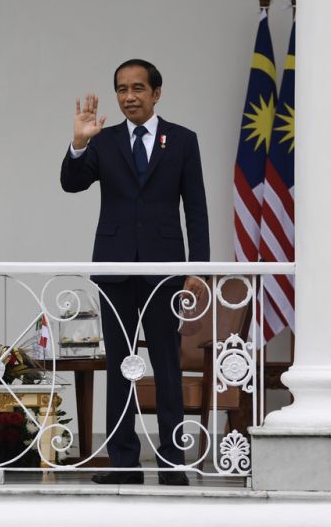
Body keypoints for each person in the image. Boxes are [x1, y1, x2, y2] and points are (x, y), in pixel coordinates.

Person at [60, 59, 209, 485]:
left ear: (156, 93)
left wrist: (197, 269)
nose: (129, 97)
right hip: (115, 265)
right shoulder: (102, 141)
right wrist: (78, 143)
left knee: (166, 363)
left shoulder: (181, 140)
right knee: (121, 363)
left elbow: (195, 209)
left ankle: (172, 461)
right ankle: (123, 462)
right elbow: (71, 184)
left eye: (138, 88)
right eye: (122, 89)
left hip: (165, 269)